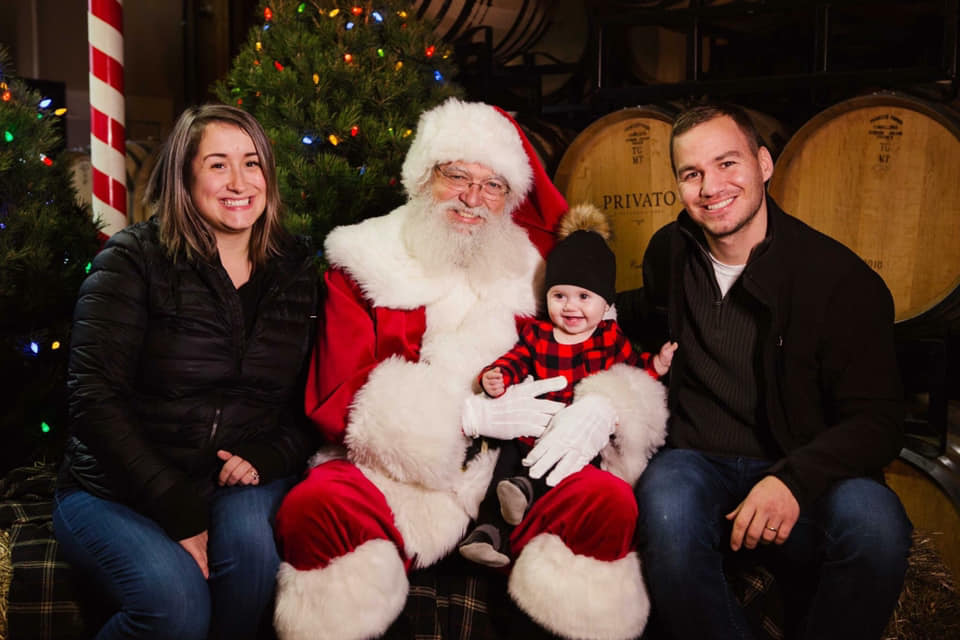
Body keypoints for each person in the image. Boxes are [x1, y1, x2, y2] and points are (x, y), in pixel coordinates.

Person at [272, 98, 669, 640]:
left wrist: (604, 406)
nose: (472, 198)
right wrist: (465, 414)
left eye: (493, 185)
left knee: (607, 501)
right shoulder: (364, 260)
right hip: (395, 475)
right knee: (314, 505)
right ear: (421, 176)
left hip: (520, 473)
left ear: (510, 198)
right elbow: (337, 393)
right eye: (456, 175)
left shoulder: (537, 272)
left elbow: (606, 343)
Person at [621, 102, 912, 639]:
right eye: (692, 174)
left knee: (877, 529)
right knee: (665, 510)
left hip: (803, 462)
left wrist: (793, 480)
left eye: (727, 164)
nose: (710, 187)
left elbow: (879, 422)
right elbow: (633, 314)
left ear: (764, 164)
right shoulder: (670, 252)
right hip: (696, 460)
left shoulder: (840, 281)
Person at [52, 104, 319, 640]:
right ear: (185, 176)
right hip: (115, 486)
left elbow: (314, 401)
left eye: (252, 163)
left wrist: (270, 456)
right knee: (176, 608)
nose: (239, 182)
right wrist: (176, 507)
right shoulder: (133, 261)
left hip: (234, 480)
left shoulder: (299, 271)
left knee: (249, 553)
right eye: (218, 165)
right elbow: (92, 397)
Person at [459, 204, 677, 567]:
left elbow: (633, 377)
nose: (571, 307)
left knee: (565, 466)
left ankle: (526, 493)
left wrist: (656, 364)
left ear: (605, 302)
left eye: (583, 297)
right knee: (505, 466)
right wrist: (495, 377)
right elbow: (515, 360)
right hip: (528, 427)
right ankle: (488, 532)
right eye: (559, 296)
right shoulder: (538, 334)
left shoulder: (609, 339)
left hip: (574, 437)